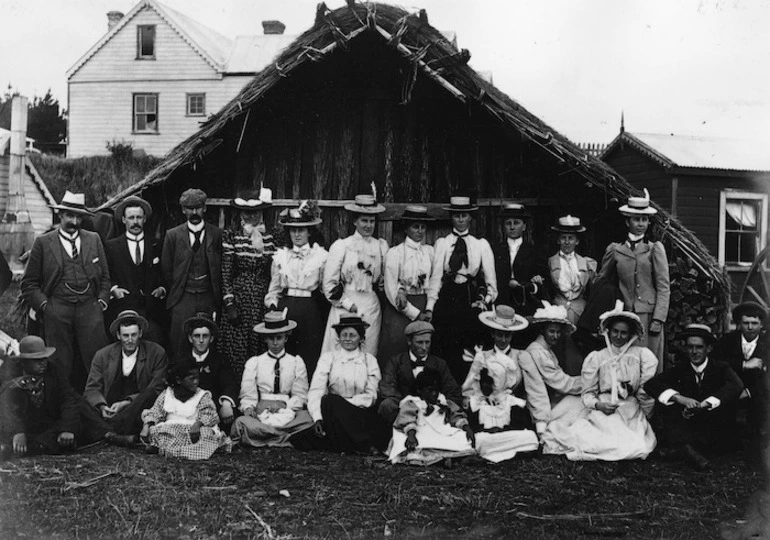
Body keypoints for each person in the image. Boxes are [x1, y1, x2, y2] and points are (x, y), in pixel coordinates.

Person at [542, 300, 658, 460]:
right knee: (606, 443)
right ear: (608, 332)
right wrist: (599, 405)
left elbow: (645, 392)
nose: (618, 336)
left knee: (640, 447)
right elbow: (588, 393)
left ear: (631, 334)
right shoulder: (597, 357)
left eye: (623, 333)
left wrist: (646, 414)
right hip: (604, 409)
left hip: (630, 409)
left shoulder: (641, 355)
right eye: (615, 331)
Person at [20, 190, 110, 390]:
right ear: (60, 215)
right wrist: (46, 306)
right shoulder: (43, 243)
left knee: (97, 358)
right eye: (70, 215)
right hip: (57, 308)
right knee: (59, 363)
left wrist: (101, 302)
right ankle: (59, 406)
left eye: (79, 216)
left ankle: (97, 405)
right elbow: (29, 283)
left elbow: (105, 277)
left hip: (89, 307)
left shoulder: (93, 239)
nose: (74, 221)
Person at [644, 324, 744, 470]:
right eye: (690, 347)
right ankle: (686, 451)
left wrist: (709, 402)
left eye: (699, 347)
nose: (694, 352)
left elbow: (736, 385)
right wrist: (679, 398)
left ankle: (683, 451)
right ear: (685, 348)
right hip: (688, 423)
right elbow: (650, 385)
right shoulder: (680, 369)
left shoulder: (721, 368)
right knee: (673, 422)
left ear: (708, 349)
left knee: (721, 439)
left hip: (713, 422)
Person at [595, 189, 670, 369]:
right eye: (636, 219)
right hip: (624, 316)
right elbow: (601, 280)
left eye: (644, 219)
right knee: (625, 363)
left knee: (649, 363)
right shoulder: (616, 250)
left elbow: (663, 286)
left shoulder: (654, 249)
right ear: (627, 221)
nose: (641, 224)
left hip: (648, 315)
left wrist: (658, 318)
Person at [291, 316, 389, 454]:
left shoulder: (369, 360)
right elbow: (316, 391)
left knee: (334, 404)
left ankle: (348, 443)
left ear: (361, 338)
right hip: (333, 413)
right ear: (338, 337)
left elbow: (372, 395)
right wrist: (318, 418)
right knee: (328, 402)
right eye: (344, 335)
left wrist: (345, 404)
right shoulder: (328, 358)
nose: (347, 339)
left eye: (352, 335)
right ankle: (357, 444)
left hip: (360, 412)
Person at [430, 195, 497, 383]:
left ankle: (469, 389)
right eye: (456, 216)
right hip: (448, 297)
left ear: (470, 218)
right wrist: (430, 306)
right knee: (447, 345)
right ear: (451, 217)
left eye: (464, 215)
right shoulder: (443, 243)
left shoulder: (480, 245)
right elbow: (436, 278)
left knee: (470, 346)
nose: (460, 219)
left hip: (470, 297)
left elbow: (491, 282)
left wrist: (485, 300)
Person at [461, 305, 539, 462]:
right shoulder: (482, 357)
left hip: (512, 413)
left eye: (507, 336)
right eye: (499, 335)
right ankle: (495, 445)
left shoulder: (521, 356)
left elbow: (533, 388)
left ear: (512, 335)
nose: (503, 340)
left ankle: (495, 447)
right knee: (479, 438)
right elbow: (469, 390)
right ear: (493, 334)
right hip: (486, 412)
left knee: (530, 438)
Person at [81, 310, 168, 446]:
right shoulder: (102, 355)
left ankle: (106, 431)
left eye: (134, 335)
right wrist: (103, 406)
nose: (130, 340)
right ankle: (114, 433)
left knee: (150, 395)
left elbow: (157, 388)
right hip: (110, 408)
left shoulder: (156, 352)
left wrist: (127, 403)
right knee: (79, 402)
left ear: (140, 333)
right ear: (118, 335)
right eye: (125, 335)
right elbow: (92, 389)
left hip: (138, 408)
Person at [230, 310, 314, 447]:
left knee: (307, 419)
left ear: (286, 338)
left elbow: (301, 395)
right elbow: (248, 395)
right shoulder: (255, 362)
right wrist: (249, 408)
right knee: (241, 422)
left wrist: (286, 406)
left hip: (288, 413)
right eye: (271, 338)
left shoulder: (296, 362)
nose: (275, 343)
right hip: (262, 413)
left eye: (279, 338)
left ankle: (266, 437)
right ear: (265, 339)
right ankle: (284, 438)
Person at [265, 201, 328, 375]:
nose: (297, 234)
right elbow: (274, 289)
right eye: (293, 230)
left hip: (310, 308)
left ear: (309, 232)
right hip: (287, 307)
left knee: (309, 351)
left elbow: (325, 287)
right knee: (288, 351)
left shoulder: (321, 256)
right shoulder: (281, 257)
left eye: (301, 230)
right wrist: (273, 306)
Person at [320, 194, 388, 357]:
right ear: (355, 221)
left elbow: (383, 281)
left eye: (372, 221)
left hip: (370, 306)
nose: (368, 225)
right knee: (339, 352)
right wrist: (348, 304)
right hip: (345, 305)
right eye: (364, 220)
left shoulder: (380, 247)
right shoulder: (342, 246)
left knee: (367, 351)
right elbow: (329, 285)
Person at [220, 189, 276, 376]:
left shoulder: (271, 237)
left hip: (262, 298)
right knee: (238, 347)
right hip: (240, 298)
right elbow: (226, 272)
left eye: (256, 212)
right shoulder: (232, 235)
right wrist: (229, 303)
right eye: (247, 212)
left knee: (260, 345)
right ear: (240, 214)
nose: (251, 216)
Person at [162, 188, 223, 357]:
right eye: (189, 208)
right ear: (183, 210)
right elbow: (166, 269)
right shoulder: (173, 235)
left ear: (205, 208)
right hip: (183, 297)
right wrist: (180, 288)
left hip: (208, 296)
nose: (194, 212)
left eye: (197, 207)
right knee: (179, 339)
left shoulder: (216, 234)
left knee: (209, 339)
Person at [0, 336, 79, 459]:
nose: (43, 363)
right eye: (36, 360)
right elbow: (5, 408)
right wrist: (17, 431)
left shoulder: (53, 371)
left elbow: (67, 399)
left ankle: (38, 447)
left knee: (57, 437)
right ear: (24, 361)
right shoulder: (9, 373)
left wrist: (67, 428)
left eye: (44, 358)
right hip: (23, 424)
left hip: (48, 424)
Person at [105, 195, 167, 348]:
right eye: (131, 217)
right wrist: (114, 290)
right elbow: (105, 274)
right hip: (122, 307)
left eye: (139, 217)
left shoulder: (155, 244)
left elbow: (166, 271)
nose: (135, 222)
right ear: (123, 220)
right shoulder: (112, 246)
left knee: (154, 345)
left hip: (151, 310)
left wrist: (162, 289)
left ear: (144, 219)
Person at [379, 205, 438, 365]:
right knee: (397, 347)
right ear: (406, 228)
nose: (419, 231)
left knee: (421, 347)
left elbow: (434, 281)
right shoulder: (395, 253)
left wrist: (428, 308)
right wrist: (413, 313)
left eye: (423, 227)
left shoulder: (430, 252)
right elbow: (391, 289)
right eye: (415, 226)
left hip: (423, 304)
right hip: (401, 309)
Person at [140, 358, 232, 460]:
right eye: (192, 379)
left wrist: (197, 425)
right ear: (179, 380)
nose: (196, 382)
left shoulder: (202, 395)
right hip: (172, 432)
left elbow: (210, 414)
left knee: (206, 434)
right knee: (157, 431)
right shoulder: (167, 394)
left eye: (197, 378)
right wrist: (146, 426)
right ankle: (174, 451)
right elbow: (155, 412)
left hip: (194, 432)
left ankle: (167, 451)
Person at [518, 302, 584, 440]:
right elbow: (562, 384)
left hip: (552, 399)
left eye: (558, 332)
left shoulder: (546, 350)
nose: (556, 336)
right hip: (543, 407)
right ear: (542, 330)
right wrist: (589, 381)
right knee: (582, 403)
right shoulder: (537, 351)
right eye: (551, 331)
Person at [377, 320, 462, 426]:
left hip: (432, 410)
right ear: (409, 341)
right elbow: (387, 387)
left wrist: (435, 404)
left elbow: (453, 391)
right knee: (387, 405)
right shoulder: (396, 361)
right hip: (402, 409)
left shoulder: (439, 364)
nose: (424, 347)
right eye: (419, 342)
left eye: (427, 342)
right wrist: (410, 404)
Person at [388, 368, 476, 466]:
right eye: (430, 390)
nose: (434, 394)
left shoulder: (444, 403)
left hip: (441, 432)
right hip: (419, 431)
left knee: (463, 437)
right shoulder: (413, 403)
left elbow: (456, 415)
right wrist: (411, 435)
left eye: (436, 390)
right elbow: (407, 419)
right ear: (419, 390)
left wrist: (466, 427)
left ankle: (446, 456)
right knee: (416, 442)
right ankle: (436, 457)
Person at [545, 215, 597, 375]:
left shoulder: (587, 263)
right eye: (563, 238)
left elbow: (593, 291)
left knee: (578, 349)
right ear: (558, 240)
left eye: (571, 238)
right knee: (558, 348)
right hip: (558, 311)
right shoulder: (550, 261)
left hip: (580, 311)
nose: (567, 242)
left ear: (577, 241)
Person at [711, 301, 769, 439]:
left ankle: (759, 438)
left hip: (758, 390)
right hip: (730, 388)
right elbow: (715, 362)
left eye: (754, 323)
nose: (750, 327)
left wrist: (749, 392)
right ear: (739, 324)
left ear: (761, 325)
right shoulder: (728, 340)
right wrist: (743, 364)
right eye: (746, 323)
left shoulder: (767, 343)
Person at [183, 313, 239, 428]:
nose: (201, 340)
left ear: (211, 338)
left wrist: (226, 403)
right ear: (190, 338)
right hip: (186, 407)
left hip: (213, 409)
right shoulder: (182, 360)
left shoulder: (220, 359)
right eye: (197, 336)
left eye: (205, 336)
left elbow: (229, 383)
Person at [493, 203, 546, 319]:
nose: (512, 227)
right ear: (503, 226)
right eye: (508, 223)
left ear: (524, 226)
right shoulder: (496, 250)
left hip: (525, 303)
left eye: (516, 223)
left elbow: (540, 280)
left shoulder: (534, 251)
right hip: (502, 302)